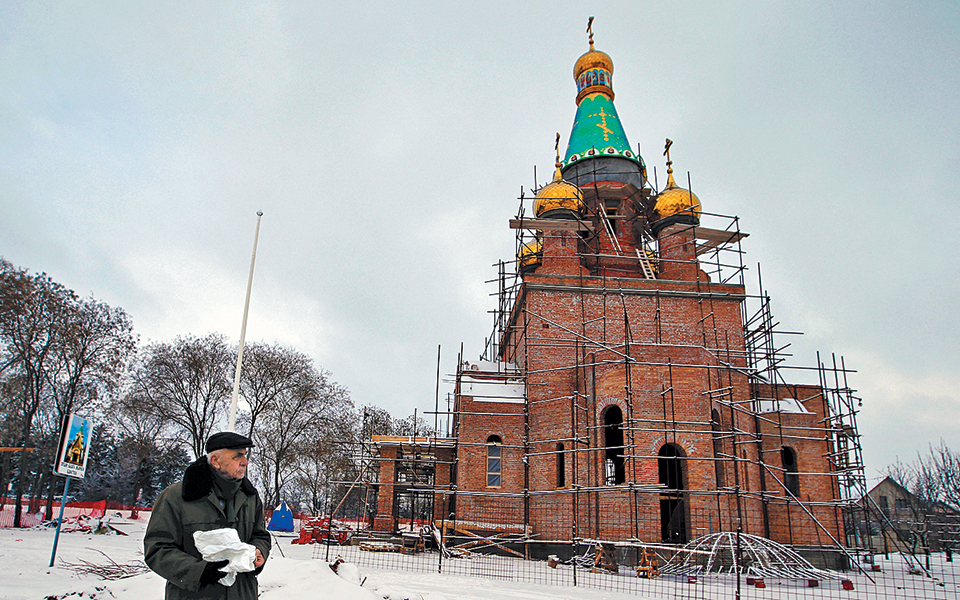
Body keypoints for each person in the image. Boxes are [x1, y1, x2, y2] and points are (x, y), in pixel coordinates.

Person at [144, 432, 270, 600]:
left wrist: (259, 551)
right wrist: (199, 571)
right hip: (193, 595)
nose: (245, 462)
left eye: (245, 455)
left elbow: (260, 535)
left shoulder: (250, 497)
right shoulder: (175, 497)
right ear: (215, 461)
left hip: (242, 593)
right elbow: (157, 549)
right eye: (237, 456)